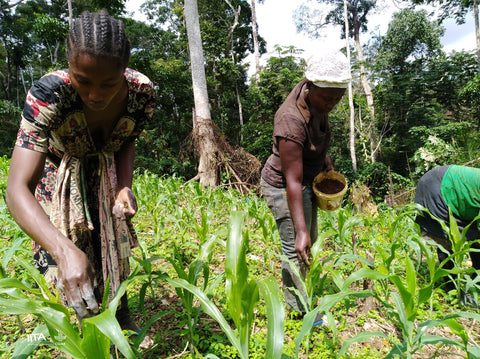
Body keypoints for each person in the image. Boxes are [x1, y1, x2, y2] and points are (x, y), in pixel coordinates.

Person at [5, 10, 155, 345]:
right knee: (72, 253)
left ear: (124, 73)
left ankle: (121, 317)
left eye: (108, 84)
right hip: (56, 170)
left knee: (112, 246)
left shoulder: (140, 93)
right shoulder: (48, 95)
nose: (96, 95)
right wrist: (63, 250)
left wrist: (123, 185)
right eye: (82, 80)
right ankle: (83, 331)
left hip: (104, 170)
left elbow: (127, 136)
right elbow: (17, 189)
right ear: (68, 66)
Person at [260, 50, 350, 320]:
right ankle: (299, 311)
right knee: (296, 245)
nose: (332, 103)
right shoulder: (290, 119)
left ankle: (303, 293)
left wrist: (325, 159)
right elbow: (292, 180)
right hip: (283, 186)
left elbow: (314, 141)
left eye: (338, 97)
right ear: (310, 88)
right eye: (327, 97)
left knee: (310, 240)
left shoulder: (318, 101)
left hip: (306, 180)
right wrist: (300, 230)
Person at [414, 165, 480, 304]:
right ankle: (453, 290)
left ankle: (475, 281)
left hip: (455, 191)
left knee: (476, 238)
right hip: (438, 189)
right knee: (445, 240)